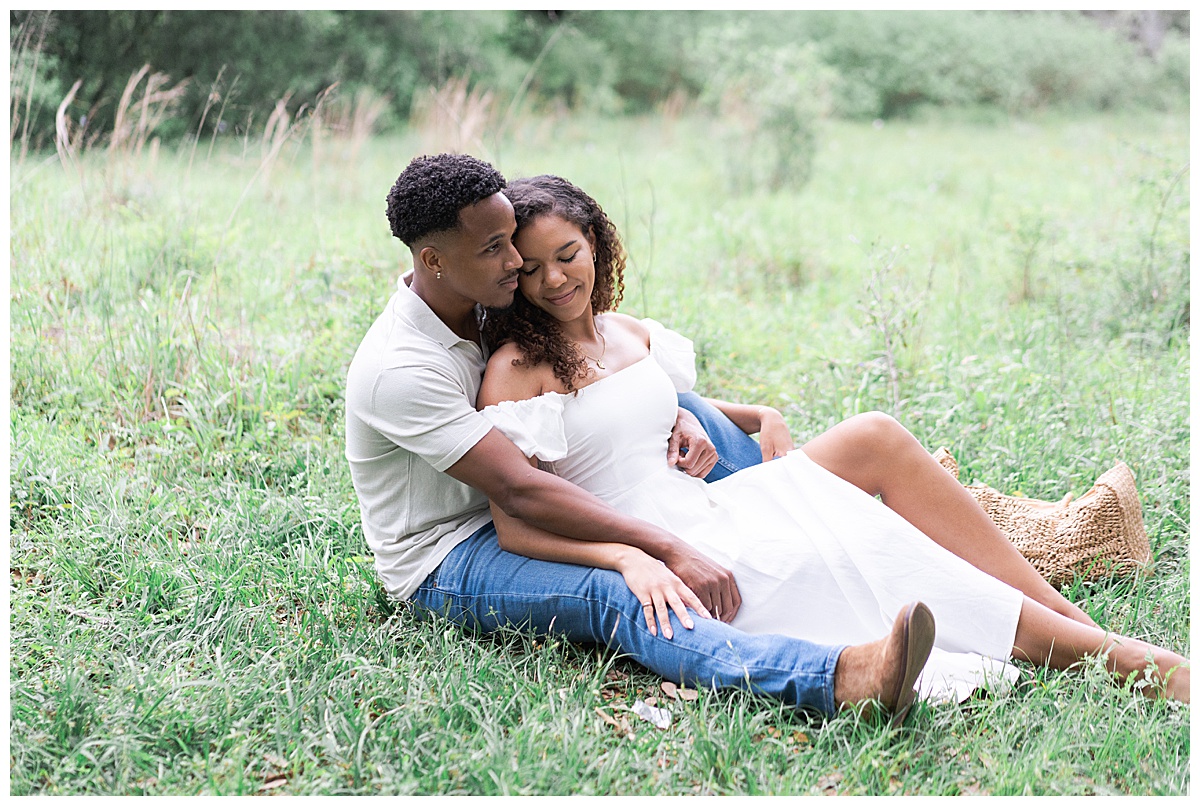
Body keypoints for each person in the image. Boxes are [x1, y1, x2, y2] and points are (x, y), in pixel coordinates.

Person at [474, 172, 1190, 704]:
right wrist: (631, 559)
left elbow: (640, 404)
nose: (553, 280)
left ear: (595, 239)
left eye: (567, 253)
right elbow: (515, 523)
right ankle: (1121, 658)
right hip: (660, 537)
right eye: (529, 269)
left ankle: (1069, 621)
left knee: (870, 455)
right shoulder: (517, 369)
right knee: (844, 555)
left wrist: (745, 415)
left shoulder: (630, 334)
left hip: (708, 506)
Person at [345, 153, 937, 722]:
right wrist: (653, 550)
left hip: (550, 486)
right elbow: (520, 492)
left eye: (511, 243)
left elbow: (606, 383)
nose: (515, 261)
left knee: (697, 418)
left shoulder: (483, 294)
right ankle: (838, 677)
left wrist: (689, 413)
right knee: (628, 594)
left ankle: (895, 506)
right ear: (434, 260)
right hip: (456, 548)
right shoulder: (400, 369)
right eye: (496, 248)